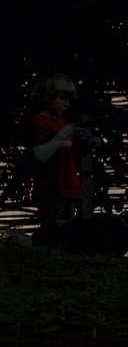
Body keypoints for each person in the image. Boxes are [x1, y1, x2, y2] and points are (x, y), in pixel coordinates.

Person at [25, 73, 84, 234]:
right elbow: (41, 155)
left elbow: (68, 150)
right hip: (51, 190)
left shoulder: (61, 121)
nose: (67, 103)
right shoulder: (38, 121)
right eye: (63, 98)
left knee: (68, 231)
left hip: (69, 188)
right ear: (48, 96)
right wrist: (65, 133)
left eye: (69, 99)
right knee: (54, 232)